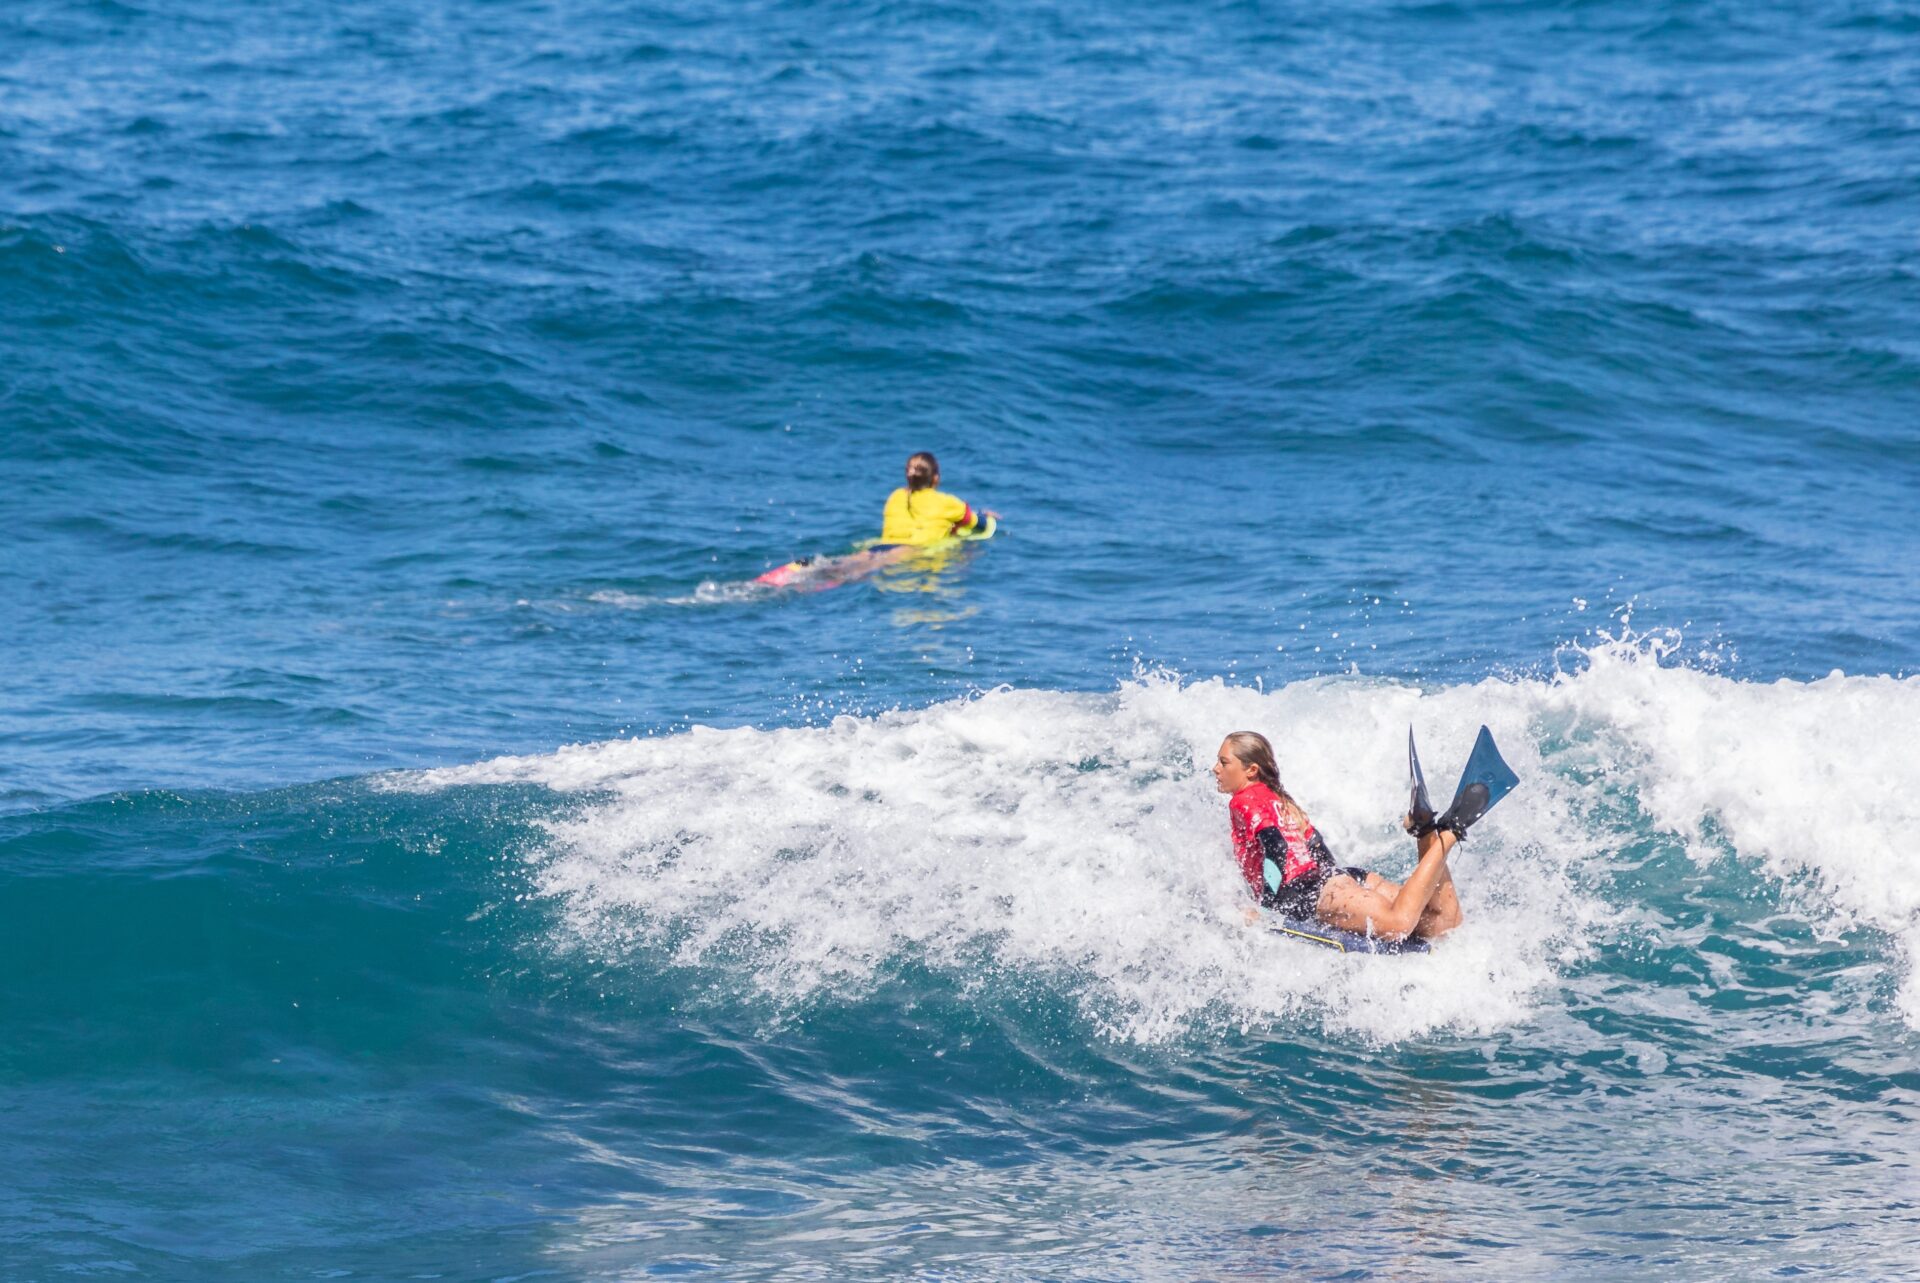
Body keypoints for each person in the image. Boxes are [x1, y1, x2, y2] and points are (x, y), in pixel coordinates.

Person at [1214, 731, 1463, 942]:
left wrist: (1267, 907)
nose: (1216, 769)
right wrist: (1336, 880)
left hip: (1315, 893)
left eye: (1224, 763)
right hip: (1334, 879)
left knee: (1398, 925)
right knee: (1442, 923)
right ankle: (1426, 832)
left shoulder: (1243, 800)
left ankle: (1450, 834)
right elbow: (1316, 844)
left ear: (1251, 770)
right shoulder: (1281, 800)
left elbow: (1276, 847)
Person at [879, 452, 988, 546]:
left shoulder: (896, 496)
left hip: (882, 546)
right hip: (912, 550)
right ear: (936, 478)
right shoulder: (946, 502)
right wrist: (982, 514)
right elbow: (979, 523)